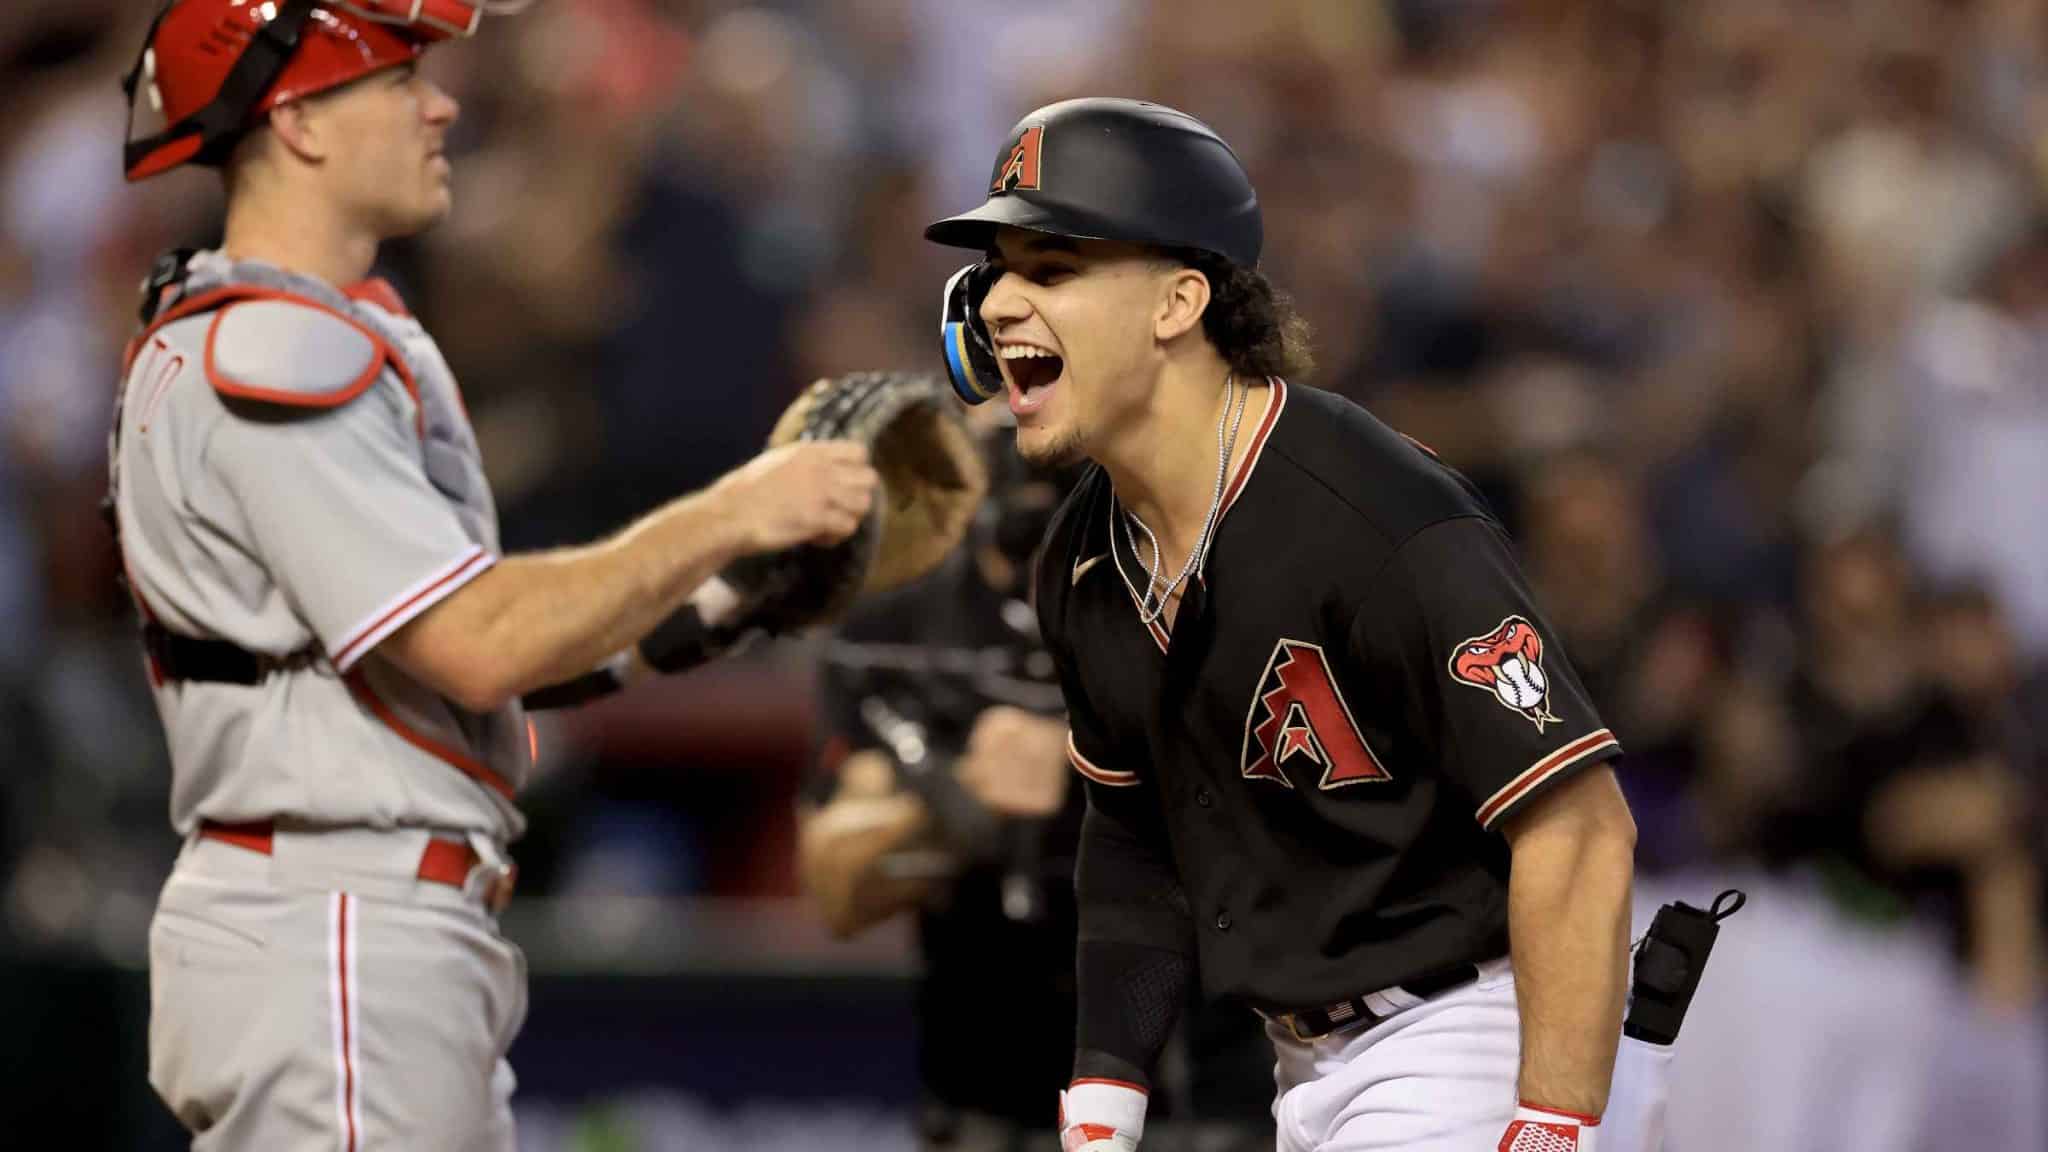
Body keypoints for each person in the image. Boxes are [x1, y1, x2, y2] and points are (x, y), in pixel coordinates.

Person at [111, 3, 877, 1148]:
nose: (442, 103)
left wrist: (719, 597)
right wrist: (729, 510)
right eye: (397, 79)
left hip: (369, 923)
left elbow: (464, 673)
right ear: (302, 120)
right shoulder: (267, 351)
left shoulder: (324, 331)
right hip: (335, 925)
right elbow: (475, 640)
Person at [923, 98, 1697, 1152]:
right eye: (997, 272)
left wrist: (1549, 1121)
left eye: (1050, 269)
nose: (998, 303)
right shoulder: (1083, 555)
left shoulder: (1370, 516)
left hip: (1477, 1028)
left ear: (1176, 303)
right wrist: (1103, 1104)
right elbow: (1136, 842)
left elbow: (1577, 825)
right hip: (1305, 1071)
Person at [799, 428, 1276, 1151]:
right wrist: (963, 795)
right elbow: (838, 889)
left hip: (1205, 1095)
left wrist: (1096, 767)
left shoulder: (1225, 598)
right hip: (993, 1093)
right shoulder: (897, 632)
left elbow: (1311, 846)